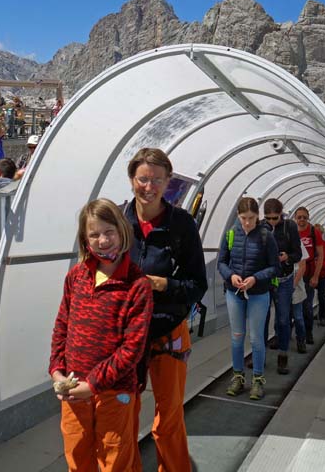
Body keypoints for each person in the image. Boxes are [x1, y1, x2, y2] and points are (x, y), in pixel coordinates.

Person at [49, 198, 153, 472]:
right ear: (85, 239)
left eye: (109, 232)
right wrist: (57, 370)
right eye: (94, 234)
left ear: (122, 232)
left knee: (114, 459)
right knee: (77, 454)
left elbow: (132, 349)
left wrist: (93, 384)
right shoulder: (76, 277)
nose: (103, 240)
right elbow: (62, 326)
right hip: (74, 388)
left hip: (115, 391)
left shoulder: (137, 284)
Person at [122, 148, 207, 472]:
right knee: (123, 413)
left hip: (168, 332)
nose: (149, 186)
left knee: (168, 417)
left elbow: (196, 284)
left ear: (168, 182)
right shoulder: (117, 221)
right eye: (143, 178)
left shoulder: (181, 225)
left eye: (157, 179)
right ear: (132, 180)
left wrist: (164, 285)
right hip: (127, 336)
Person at [218, 197, 279, 400]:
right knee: (236, 337)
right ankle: (237, 376)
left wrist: (255, 278)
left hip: (258, 292)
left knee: (256, 338)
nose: (247, 223)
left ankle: (258, 380)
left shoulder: (266, 236)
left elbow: (274, 267)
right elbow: (222, 262)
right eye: (244, 218)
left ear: (257, 217)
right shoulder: (231, 234)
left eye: (251, 218)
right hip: (234, 292)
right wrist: (231, 276)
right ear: (238, 216)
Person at [262, 198, 304, 374]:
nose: (272, 221)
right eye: (268, 218)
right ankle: (260, 356)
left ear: (281, 214)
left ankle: (283, 355)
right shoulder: (260, 227)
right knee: (262, 319)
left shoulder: (290, 227)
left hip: (284, 278)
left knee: (283, 318)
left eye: (275, 218)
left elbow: (298, 253)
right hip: (265, 278)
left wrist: (287, 257)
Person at [294, 207, 325, 330]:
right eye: (299, 217)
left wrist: (316, 276)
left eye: (304, 217)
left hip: (308, 273)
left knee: (307, 305)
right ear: (295, 218)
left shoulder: (313, 232)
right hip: (295, 272)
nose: (302, 219)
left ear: (308, 218)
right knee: (294, 305)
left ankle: (308, 333)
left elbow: (321, 255)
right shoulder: (292, 231)